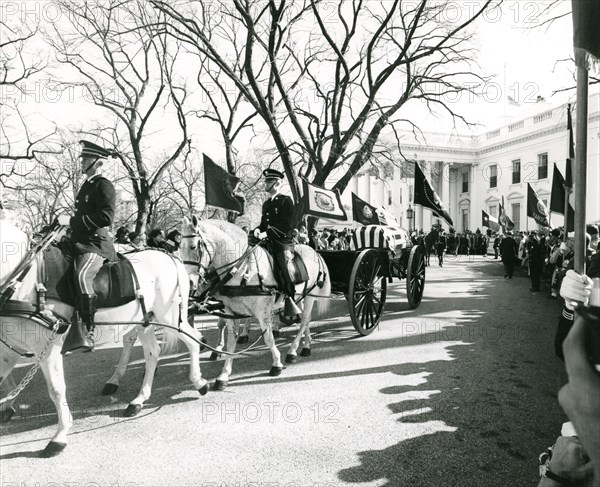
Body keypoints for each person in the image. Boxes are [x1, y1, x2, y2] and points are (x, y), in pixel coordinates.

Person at [57, 140, 117, 352]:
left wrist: (72, 222)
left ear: (97, 162)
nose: (82, 162)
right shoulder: (87, 186)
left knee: (82, 275)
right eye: (82, 158)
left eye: (86, 159)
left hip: (96, 244)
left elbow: (105, 216)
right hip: (79, 242)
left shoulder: (104, 185)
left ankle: (88, 329)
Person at [253, 168, 301, 324]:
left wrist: (267, 233)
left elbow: (287, 224)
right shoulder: (267, 203)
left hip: (282, 241)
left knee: (284, 266)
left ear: (278, 183)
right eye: (266, 181)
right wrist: (257, 231)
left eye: (269, 181)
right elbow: (263, 223)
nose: (266, 184)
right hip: (267, 241)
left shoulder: (285, 200)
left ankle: (289, 297)